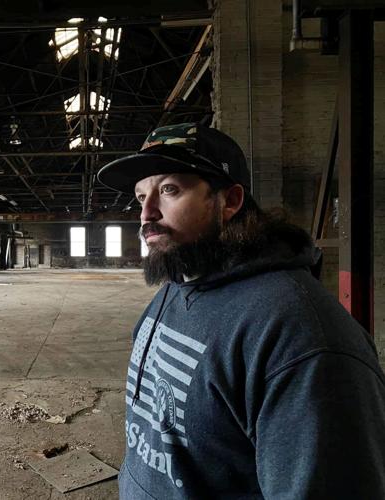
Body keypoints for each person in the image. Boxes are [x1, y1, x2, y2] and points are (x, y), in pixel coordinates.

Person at [96, 122, 385, 499]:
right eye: (140, 197)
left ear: (230, 201)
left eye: (169, 190)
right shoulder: (179, 284)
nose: (146, 213)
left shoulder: (301, 337)